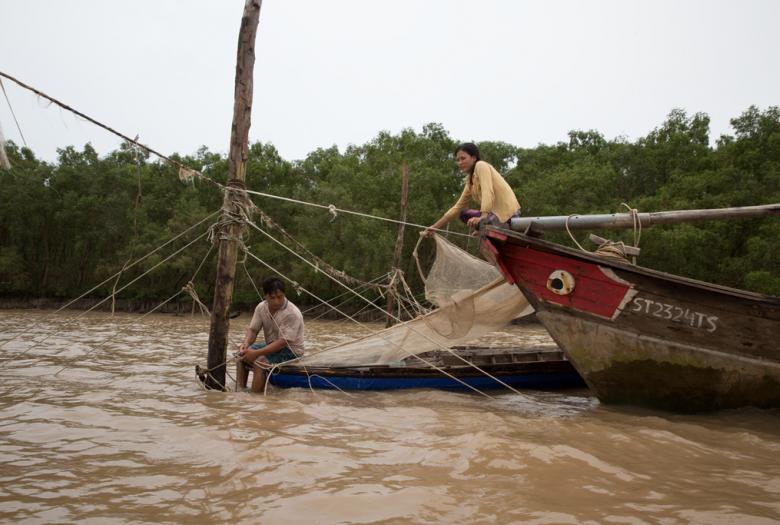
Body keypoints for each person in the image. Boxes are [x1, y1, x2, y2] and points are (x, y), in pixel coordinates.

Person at [423, 142, 520, 237]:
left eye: (463, 158)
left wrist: (482, 218)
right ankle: (485, 226)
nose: (460, 163)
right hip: (492, 216)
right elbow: (457, 207)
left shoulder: (481, 166)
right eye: (458, 160)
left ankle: (486, 226)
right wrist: (435, 227)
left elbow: (488, 192)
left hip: (507, 216)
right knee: (463, 213)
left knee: (481, 219)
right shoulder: (470, 180)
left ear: (474, 158)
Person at [236, 276, 305, 393]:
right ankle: (240, 392)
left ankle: (254, 398)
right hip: (272, 345)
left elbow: (282, 343)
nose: (277, 301)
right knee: (241, 355)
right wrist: (246, 344)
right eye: (272, 298)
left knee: (260, 362)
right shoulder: (261, 307)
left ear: (284, 294)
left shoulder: (292, 313)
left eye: (280, 297)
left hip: (291, 350)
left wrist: (256, 353)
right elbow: (253, 330)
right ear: (265, 296)